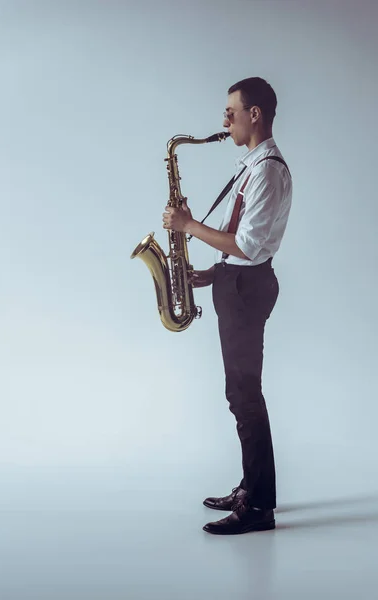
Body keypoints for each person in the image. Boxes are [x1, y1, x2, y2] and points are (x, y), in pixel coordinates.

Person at [162, 77, 292, 535]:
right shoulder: (251, 166)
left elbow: (249, 244)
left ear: (254, 114)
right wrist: (211, 273)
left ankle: (259, 508)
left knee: (245, 397)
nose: (224, 121)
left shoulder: (269, 170)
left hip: (247, 287)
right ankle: (252, 486)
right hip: (236, 281)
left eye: (230, 112)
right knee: (241, 395)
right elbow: (239, 247)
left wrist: (189, 225)